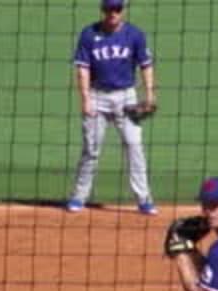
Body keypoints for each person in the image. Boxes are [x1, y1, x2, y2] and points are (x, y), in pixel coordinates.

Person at [65, 0, 158, 214]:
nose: (113, 13)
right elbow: (83, 69)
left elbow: (146, 66)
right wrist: (86, 99)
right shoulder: (89, 34)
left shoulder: (135, 34)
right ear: (102, 10)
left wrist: (150, 94)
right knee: (91, 149)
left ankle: (144, 199)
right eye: (109, 9)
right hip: (97, 96)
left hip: (126, 97)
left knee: (134, 146)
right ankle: (79, 197)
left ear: (123, 10)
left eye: (117, 9)